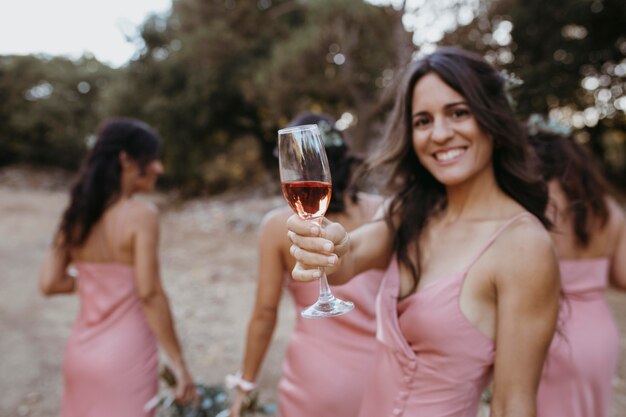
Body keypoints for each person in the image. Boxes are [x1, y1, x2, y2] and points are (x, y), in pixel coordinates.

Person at [286, 47, 561, 417]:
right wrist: (328, 247)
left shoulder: (523, 246)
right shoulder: (409, 211)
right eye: (423, 121)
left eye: (458, 113)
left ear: (491, 118)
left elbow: (513, 403)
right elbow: (350, 255)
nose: (441, 134)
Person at [228, 113, 383, 417]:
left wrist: (245, 386)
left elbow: (264, 313)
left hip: (314, 378)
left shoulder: (277, 227)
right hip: (379, 372)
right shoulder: (383, 210)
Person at [39, 118, 196, 417]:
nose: (159, 168)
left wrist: (95, 281)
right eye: (153, 158)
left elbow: (50, 283)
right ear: (126, 159)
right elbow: (149, 294)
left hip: (80, 354)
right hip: (126, 358)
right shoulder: (141, 215)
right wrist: (179, 364)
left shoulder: (75, 215)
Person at [528, 126, 626, 417]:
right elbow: (622, 277)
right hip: (600, 334)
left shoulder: (536, 206)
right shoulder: (607, 209)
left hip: (549, 330)